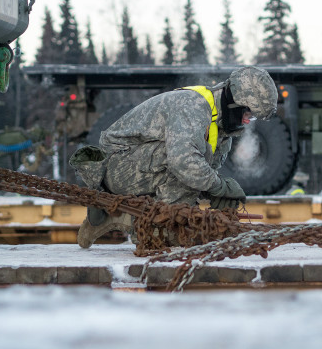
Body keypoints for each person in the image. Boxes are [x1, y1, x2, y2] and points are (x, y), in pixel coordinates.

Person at [70, 66, 278, 248]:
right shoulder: (193, 107)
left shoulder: (221, 130)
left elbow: (197, 175)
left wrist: (213, 194)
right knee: (188, 162)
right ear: (235, 101)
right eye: (248, 113)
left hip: (139, 167)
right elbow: (183, 162)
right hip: (118, 168)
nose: (248, 121)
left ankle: (135, 222)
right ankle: (143, 225)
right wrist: (219, 187)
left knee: (195, 170)